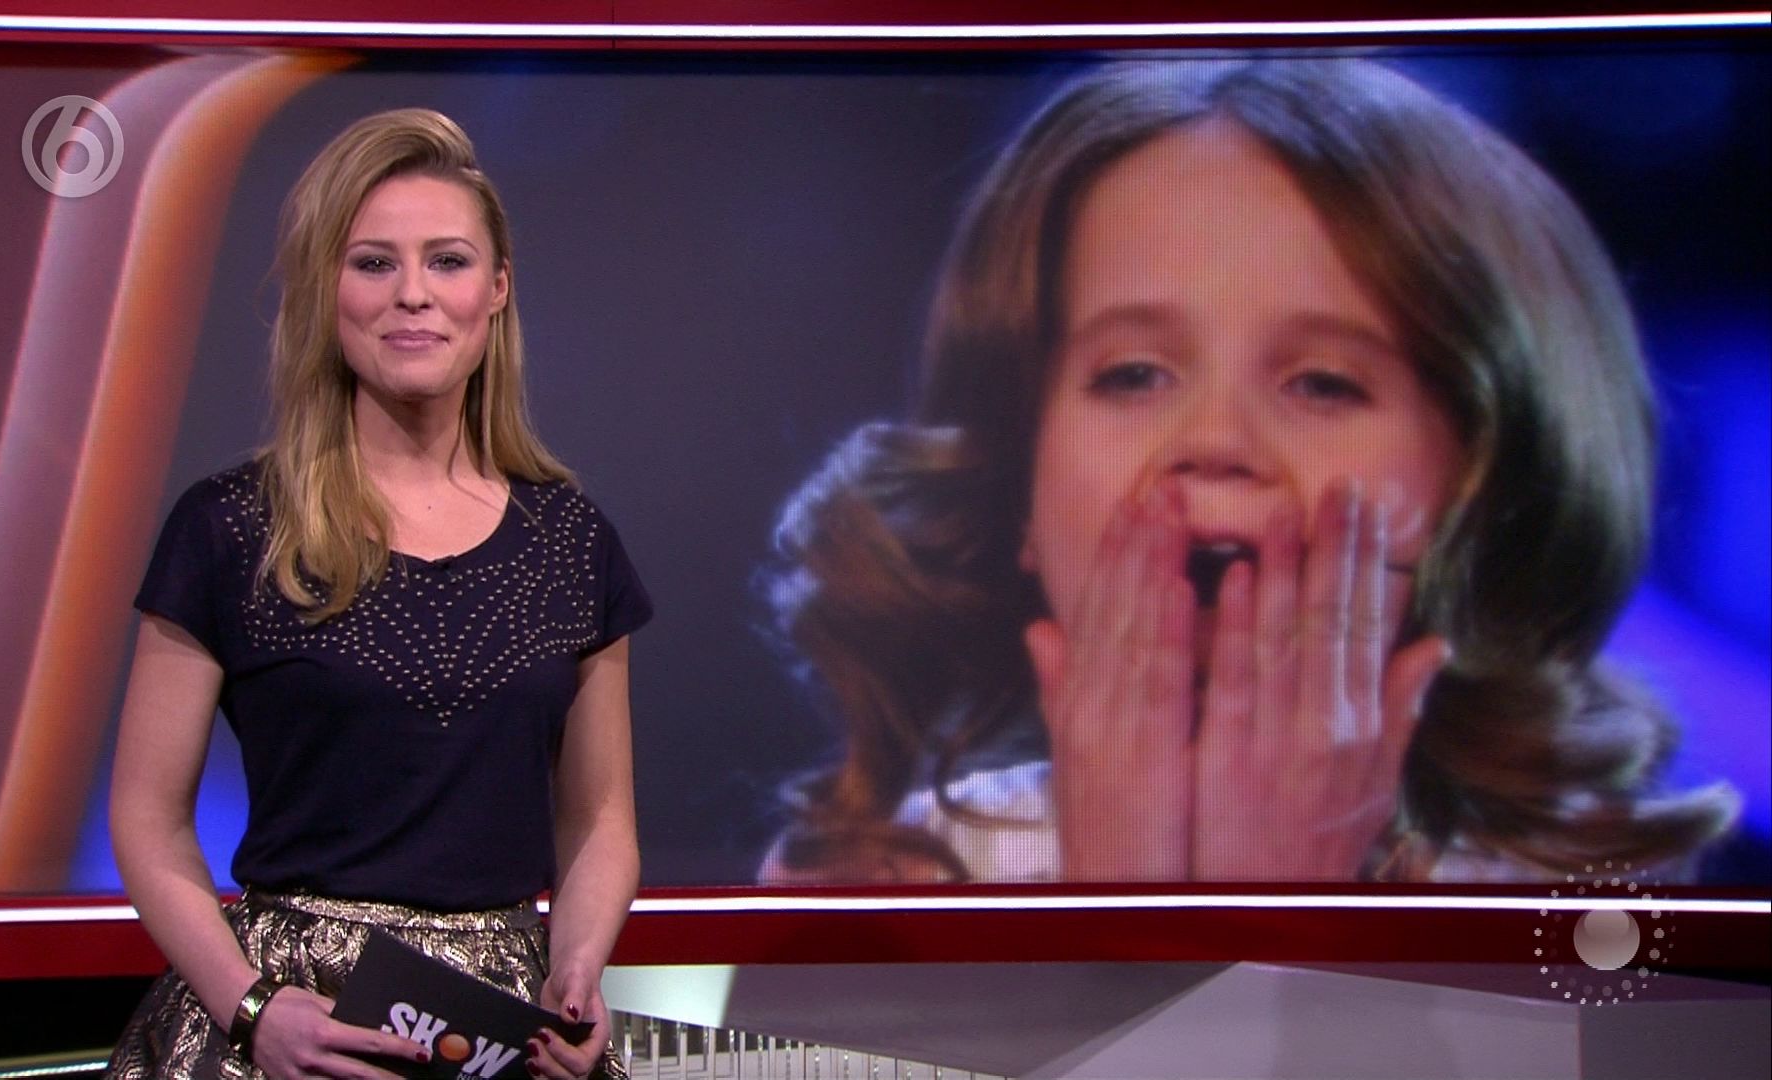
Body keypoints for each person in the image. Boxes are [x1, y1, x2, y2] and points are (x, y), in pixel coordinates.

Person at [760, 59, 1739, 884]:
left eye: (1322, 383)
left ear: (1484, 480)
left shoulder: (1596, 904)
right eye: (1132, 374)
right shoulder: (878, 883)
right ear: (1017, 482)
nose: (1216, 440)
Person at [106, 108, 648, 1080]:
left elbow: (599, 822)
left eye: (447, 261)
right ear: (329, 290)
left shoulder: (572, 540)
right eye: (372, 263)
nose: (413, 295)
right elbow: (148, 821)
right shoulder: (230, 527)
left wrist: (576, 967)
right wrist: (252, 1009)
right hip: (285, 1019)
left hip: (503, 1030)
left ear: (497, 289)